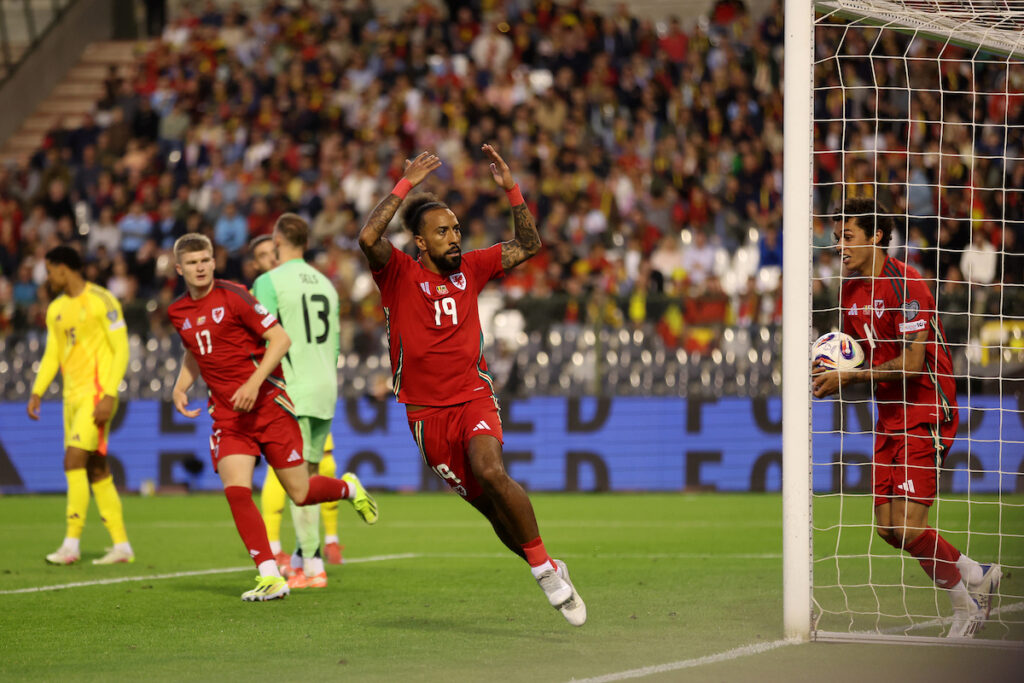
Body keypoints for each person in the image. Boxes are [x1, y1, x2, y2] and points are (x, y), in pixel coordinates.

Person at [357, 145, 586, 626]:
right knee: (492, 511)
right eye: (442, 231)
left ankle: (545, 572)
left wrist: (512, 191)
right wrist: (405, 185)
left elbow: (529, 246)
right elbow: (368, 236)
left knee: (491, 470)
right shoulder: (397, 273)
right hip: (425, 413)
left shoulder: (473, 269)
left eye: (456, 229)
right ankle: (543, 562)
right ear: (420, 242)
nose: (454, 237)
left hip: (472, 396)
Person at [812, 197, 1001, 638]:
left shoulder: (909, 284)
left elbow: (914, 363)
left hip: (927, 409)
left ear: (876, 236)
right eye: (837, 237)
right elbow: (853, 351)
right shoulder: (849, 290)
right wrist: (834, 368)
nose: (840, 246)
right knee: (888, 530)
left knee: (909, 526)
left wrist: (849, 378)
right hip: (889, 414)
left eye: (848, 237)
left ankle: (966, 605)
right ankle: (978, 573)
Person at [168, 233, 377, 601]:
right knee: (236, 490)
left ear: (214, 262)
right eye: (192, 263)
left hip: (268, 405)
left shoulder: (235, 295)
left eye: (205, 260)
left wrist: (253, 383)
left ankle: (348, 488)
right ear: (179, 268)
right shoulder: (177, 312)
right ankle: (269, 575)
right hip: (229, 415)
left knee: (300, 492)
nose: (200, 268)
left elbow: (280, 339)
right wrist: (180, 386)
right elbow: (195, 351)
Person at [27, 245, 134, 565]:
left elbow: (121, 349)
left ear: (64, 268)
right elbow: (52, 354)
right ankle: (122, 546)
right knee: (96, 469)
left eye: (49, 271)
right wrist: (37, 391)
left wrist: (110, 393)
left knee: (73, 461)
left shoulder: (102, 300)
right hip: (70, 399)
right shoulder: (56, 309)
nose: (48, 278)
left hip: (97, 396)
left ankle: (70, 544)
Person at [252, 215, 342, 588]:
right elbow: (335, 344)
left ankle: (311, 567)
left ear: (276, 241)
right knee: (308, 476)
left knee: (296, 482)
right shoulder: (326, 284)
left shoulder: (269, 281)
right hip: (325, 386)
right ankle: (309, 560)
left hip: (293, 389)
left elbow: (261, 338)